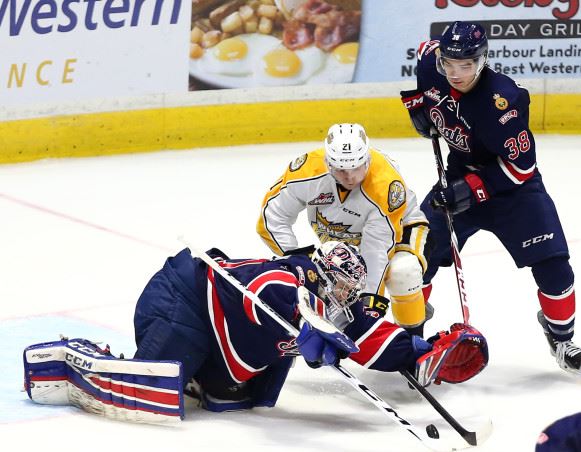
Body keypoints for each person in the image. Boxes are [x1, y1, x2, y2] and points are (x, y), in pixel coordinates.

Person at [23, 242, 488, 421]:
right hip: (182, 300)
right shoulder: (289, 276)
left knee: (239, 399)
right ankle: (78, 358)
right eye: (341, 286)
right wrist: (309, 325)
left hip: (226, 344)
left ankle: (197, 377)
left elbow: (371, 338)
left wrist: (421, 352)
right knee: (149, 391)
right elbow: (264, 294)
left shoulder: (339, 303)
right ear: (322, 273)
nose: (348, 296)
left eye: (351, 289)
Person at [400, 20, 580, 374]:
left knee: (555, 268)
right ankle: (411, 338)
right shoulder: (430, 62)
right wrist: (418, 105)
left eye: (465, 65)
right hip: (456, 181)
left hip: (513, 193)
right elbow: (425, 52)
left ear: (482, 60)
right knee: (413, 259)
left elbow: (522, 168)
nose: (455, 73)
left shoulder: (503, 103)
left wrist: (471, 189)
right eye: (448, 65)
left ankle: (562, 340)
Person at [257, 123, 433, 335]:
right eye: (341, 170)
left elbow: (376, 250)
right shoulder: (307, 172)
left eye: (357, 167)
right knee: (326, 279)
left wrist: (371, 301)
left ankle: (414, 338)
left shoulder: (384, 185)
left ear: (367, 160)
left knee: (402, 272)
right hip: (346, 242)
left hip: (401, 229)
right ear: (328, 163)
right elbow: (272, 218)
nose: (350, 177)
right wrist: (300, 261)